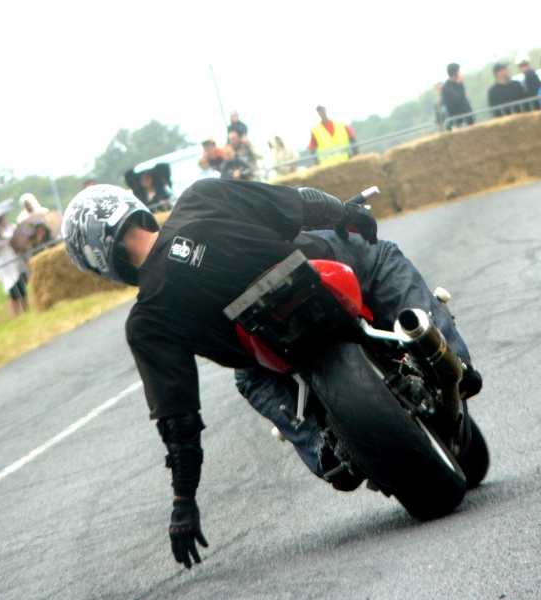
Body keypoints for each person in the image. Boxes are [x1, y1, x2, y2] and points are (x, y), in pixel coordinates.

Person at [62, 179, 482, 569]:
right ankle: (451, 360)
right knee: (380, 254)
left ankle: (324, 446)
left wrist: (184, 500)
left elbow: (179, 419)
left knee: (249, 378)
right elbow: (298, 203)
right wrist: (346, 215)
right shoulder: (200, 198)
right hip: (319, 269)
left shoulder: (147, 321)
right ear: (131, 208)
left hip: (270, 348)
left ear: (99, 260)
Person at [0, 214, 28, 315]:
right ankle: (16, 313)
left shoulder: (9, 229)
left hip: (16, 264)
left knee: (22, 289)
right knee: (13, 293)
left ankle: (26, 310)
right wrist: (0, 239)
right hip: (6, 267)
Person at [442, 64, 474, 130]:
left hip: (467, 117)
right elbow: (459, 99)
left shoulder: (456, 84)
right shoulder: (447, 87)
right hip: (458, 120)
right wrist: (460, 85)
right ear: (455, 72)